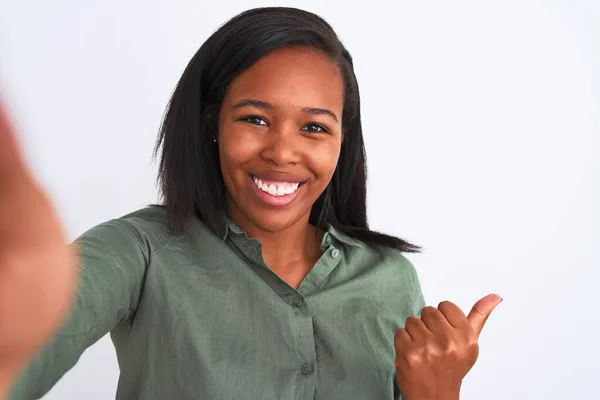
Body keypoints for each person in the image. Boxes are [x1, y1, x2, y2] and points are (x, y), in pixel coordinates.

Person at [0, 6, 502, 400]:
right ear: (212, 126)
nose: (283, 151)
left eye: (314, 127)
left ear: (342, 143)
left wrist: (437, 393)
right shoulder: (139, 251)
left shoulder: (391, 279)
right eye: (255, 119)